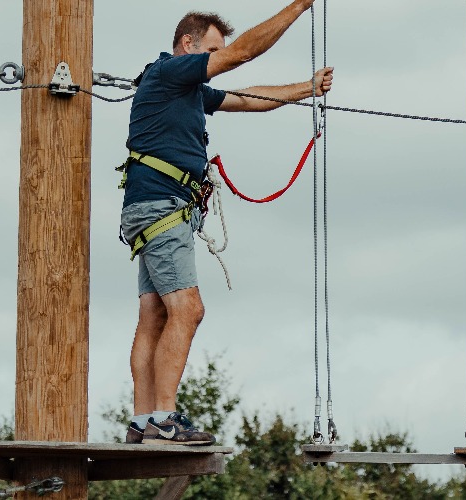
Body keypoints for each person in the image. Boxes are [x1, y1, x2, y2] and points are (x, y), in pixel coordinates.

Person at [120, 4, 334, 445]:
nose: (217, 59)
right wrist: (299, 6)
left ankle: (143, 422)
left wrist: (306, 88)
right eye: (211, 51)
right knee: (188, 309)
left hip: (150, 209)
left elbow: (246, 98)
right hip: (163, 207)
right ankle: (163, 418)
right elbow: (241, 56)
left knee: (154, 314)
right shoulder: (170, 73)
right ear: (188, 46)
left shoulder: (188, 91)